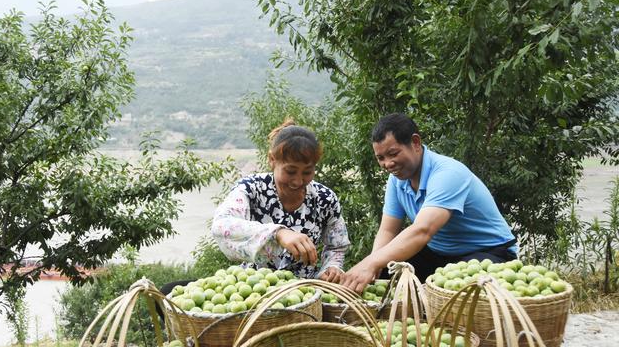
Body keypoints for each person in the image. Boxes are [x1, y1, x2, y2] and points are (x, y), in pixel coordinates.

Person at [340, 113, 517, 293]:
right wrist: (374, 264)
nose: (388, 164)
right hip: (439, 254)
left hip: (489, 253)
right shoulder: (397, 180)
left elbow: (422, 230)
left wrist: (371, 263)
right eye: (380, 158)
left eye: (393, 153)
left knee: (455, 291)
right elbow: (388, 230)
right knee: (386, 271)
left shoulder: (448, 173)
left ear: (415, 143)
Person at [209, 119, 350, 282]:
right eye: (290, 171)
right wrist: (278, 233)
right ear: (272, 160)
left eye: (307, 172)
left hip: (304, 292)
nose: (298, 181)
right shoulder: (251, 189)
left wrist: (331, 267)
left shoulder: (324, 199)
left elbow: (337, 246)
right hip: (254, 290)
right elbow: (222, 226)